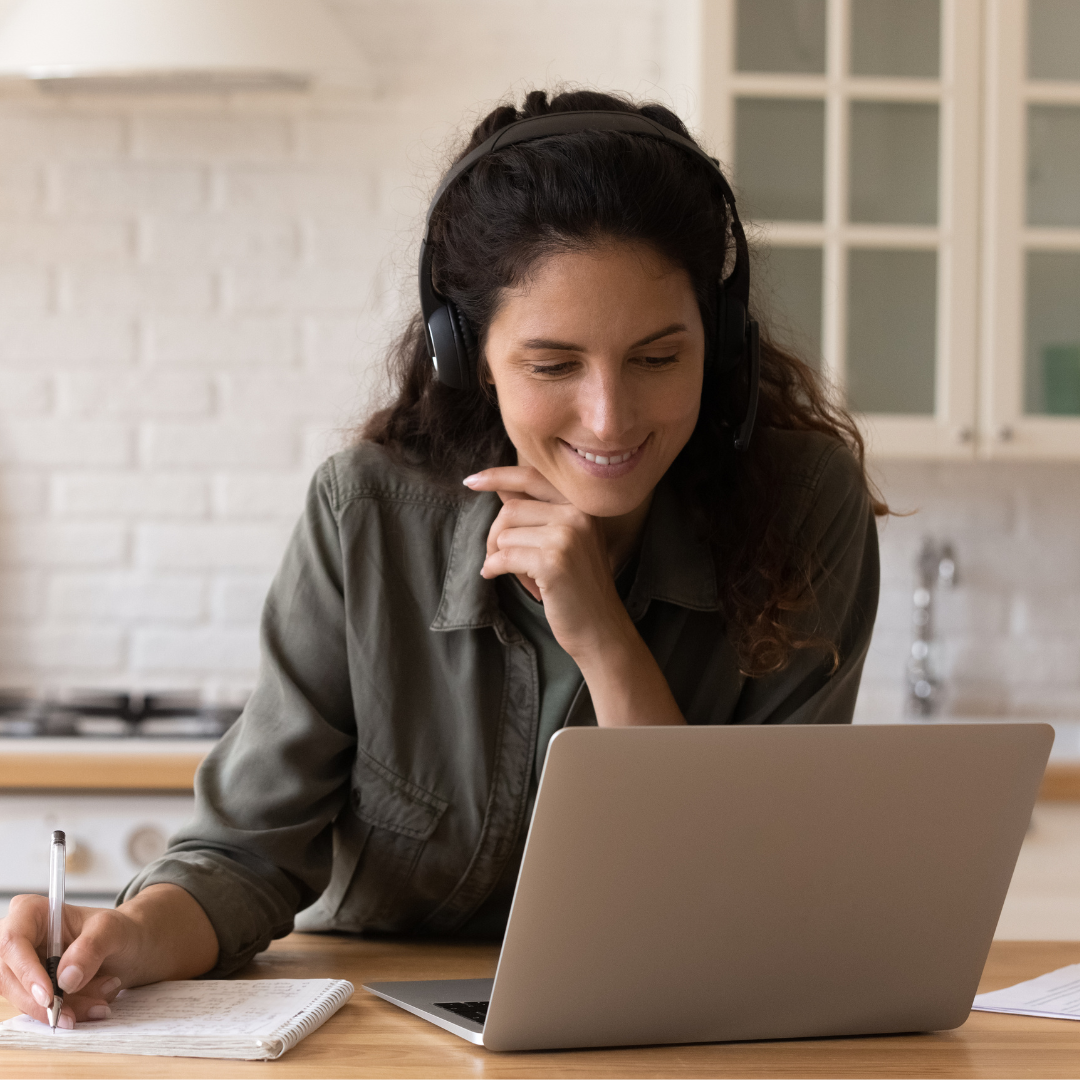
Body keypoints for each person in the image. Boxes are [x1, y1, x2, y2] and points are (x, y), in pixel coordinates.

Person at [0, 89, 884, 1027]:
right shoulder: (368, 514)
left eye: (659, 358)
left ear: (722, 341)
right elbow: (247, 857)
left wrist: (605, 640)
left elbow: (738, 902)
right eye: (552, 366)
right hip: (380, 1031)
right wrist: (126, 937)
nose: (610, 417)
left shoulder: (804, 506)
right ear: (465, 355)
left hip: (669, 1023)